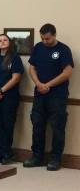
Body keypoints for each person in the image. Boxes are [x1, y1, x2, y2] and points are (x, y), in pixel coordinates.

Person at [24, 24, 74, 171]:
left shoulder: (64, 50)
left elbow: (67, 72)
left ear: (54, 35)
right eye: (42, 38)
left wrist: (48, 85)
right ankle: (37, 157)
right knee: (37, 125)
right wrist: (38, 83)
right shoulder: (38, 47)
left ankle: (55, 159)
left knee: (57, 127)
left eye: (47, 38)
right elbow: (32, 68)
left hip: (57, 96)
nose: (45, 41)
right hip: (39, 94)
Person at [0, 34, 24, 164]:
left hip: (9, 96)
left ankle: (4, 154)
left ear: (9, 42)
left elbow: (16, 78)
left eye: (5, 40)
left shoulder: (15, 58)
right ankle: (5, 152)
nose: (2, 42)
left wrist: (1, 91)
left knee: (7, 125)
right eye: (0, 40)